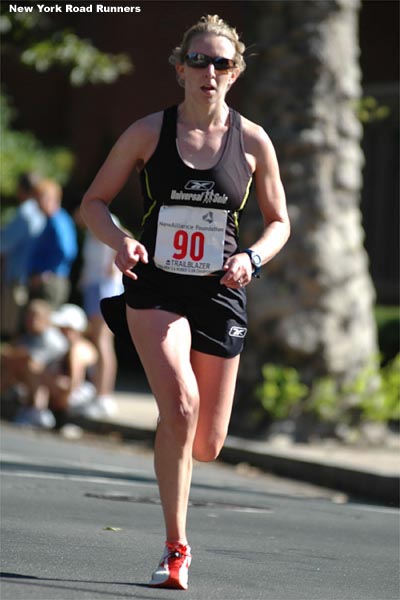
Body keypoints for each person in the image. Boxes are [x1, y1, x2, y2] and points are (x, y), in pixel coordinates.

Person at [80, 14, 290, 590]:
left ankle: (179, 446)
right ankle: (176, 548)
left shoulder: (252, 141)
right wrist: (121, 239)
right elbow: (93, 202)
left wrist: (253, 257)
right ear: (179, 69)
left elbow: (279, 222)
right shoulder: (149, 131)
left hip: (220, 293)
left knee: (208, 443)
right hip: (157, 287)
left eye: (221, 63)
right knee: (179, 405)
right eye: (198, 60)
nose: (209, 71)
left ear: (236, 73)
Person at [73, 207, 123, 417]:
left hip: (105, 288)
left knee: (103, 341)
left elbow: (123, 240)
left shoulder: (107, 220)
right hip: (95, 287)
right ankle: (97, 391)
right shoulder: (92, 228)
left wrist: (113, 266)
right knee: (97, 340)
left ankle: (104, 395)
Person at [1, 299, 69, 428]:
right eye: (29, 317)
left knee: (30, 366)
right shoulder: (28, 336)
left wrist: (11, 354)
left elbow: (34, 361)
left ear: (46, 319)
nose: (30, 321)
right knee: (13, 365)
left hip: (58, 384)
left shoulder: (52, 338)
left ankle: (38, 411)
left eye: (35, 317)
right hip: (41, 379)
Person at [0, 173, 45, 339]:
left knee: (11, 328)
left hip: (16, 276)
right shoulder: (40, 212)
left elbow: (4, 244)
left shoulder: (25, 213)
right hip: (27, 275)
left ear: (21, 189)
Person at [28, 179, 78, 309]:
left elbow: (67, 250)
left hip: (51, 281)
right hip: (47, 280)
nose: (37, 203)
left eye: (40, 199)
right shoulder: (50, 220)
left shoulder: (58, 221)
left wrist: (46, 273)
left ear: (52, 199)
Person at [48, 303, 99, 427]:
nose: (60, 331)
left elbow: (75, 381)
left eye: (63, 328)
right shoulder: (68, 347)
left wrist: (62, 405)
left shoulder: (78, 349)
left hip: (80, 397)